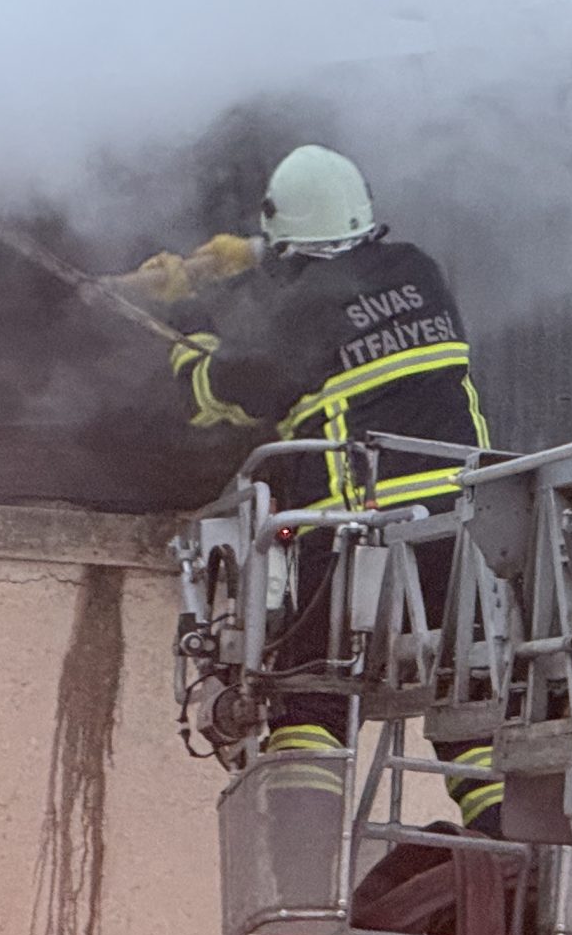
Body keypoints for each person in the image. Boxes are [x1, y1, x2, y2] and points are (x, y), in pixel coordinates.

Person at [144, 144, 504, 848]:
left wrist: (183, 353)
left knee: (308, 685)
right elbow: (323, 291)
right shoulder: (418, 271)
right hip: (461, 530)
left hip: (353, 534)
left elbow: (231, 389)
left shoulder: (304, 306)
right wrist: (230, 267)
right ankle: (507, 847)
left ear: (289, 238)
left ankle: (300, 853)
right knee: (470, 700)